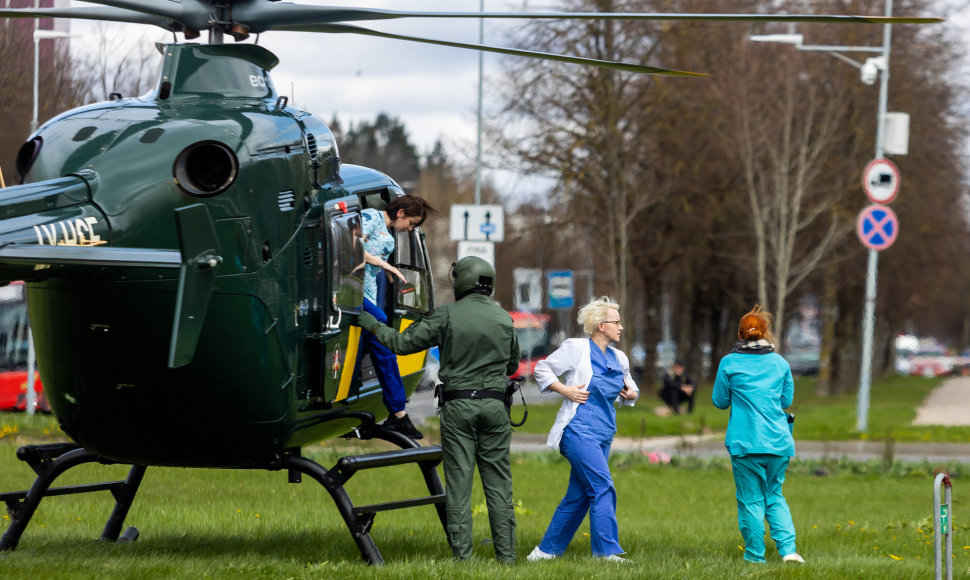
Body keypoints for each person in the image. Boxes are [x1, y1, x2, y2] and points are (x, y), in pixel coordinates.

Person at [357, 256, 520, 563]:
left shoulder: (447, 315)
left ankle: (463, 558)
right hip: (496, 407)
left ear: (462, 282)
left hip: (459, 405)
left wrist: (373, 324)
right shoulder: (503, 319)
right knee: (499, 484)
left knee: (459, 482)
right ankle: (507, 559)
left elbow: (402, 344)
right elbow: (512, 365)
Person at [527, 297, 639, 563]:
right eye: (616, 322)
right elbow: (542, 369)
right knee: (602, 487)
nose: (621, 327)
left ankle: (544, 552)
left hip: (603, 434)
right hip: (577, 432)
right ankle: (606, 552)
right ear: (601, 325)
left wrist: (631, 393)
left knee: (578, 497)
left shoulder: (619, 357)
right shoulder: (576, 348)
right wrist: (565, 389)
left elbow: (630, 389)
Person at [711, 305, 804, 565]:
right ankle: (789, 551)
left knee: (751, 500)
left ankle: (754, 557)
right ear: (766, 333)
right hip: (779, 442)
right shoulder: (780, 362)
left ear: (740, 334)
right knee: (774, 496)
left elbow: (719, 401)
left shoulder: (729, 363)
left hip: (745, 443)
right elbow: (785, 400)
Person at [358, 194, 438, 440]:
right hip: (353, 290)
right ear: (401, 213)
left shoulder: (388, 232)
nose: (410, 228)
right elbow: (351, 248)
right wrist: (388, 266)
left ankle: (398, 413)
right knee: (382, 331)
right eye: (412, 223)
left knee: (383, 349)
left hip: (368, 292)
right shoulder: (371, 218)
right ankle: (399, 414)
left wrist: (388, 275)